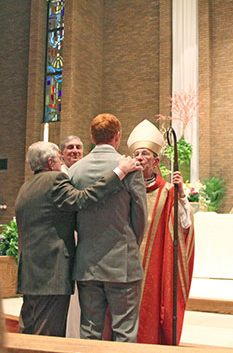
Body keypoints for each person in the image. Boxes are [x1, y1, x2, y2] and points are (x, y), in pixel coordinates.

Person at [15, 141, 139, 337]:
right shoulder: (54, 180)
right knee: (47, 335)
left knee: (28, 330)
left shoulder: (26, 186)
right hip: (51, 274)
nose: (62, 161)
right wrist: (119, 172)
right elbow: (82, 198)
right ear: (50, 162)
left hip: (31, 272)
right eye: (59, 157)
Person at [68, 113, 147, 342]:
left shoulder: (75, 171)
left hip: (87, 262)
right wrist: (131, 244)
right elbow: (140, 215)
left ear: (92, 137)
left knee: (90, 329)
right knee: (125, 331)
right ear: (117, 136)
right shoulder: (130, 168)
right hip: (122, 260)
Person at [126, 119, 195, 345]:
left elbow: (184, 226)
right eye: (136, 153)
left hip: (152, 266)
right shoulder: (122, 188)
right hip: (123, 263)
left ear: (155, 161)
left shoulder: (166, 191)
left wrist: (181, 194)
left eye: (144, 154)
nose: (139, 157)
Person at [59, 136, 84, 338]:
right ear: (62, 153)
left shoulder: (86, 173)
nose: (74, 151)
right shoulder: (60, 176)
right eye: (70, 148)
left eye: (78, 147)